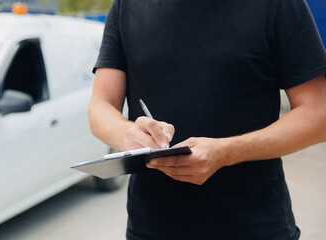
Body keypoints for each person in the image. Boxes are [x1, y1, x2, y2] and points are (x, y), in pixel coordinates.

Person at [87, 0, 326, 239]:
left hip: (254, 227)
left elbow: (319, 113)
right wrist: (127, 134)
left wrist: (228, 151)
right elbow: (101, 105)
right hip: (151, 228)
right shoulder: (127, 5)